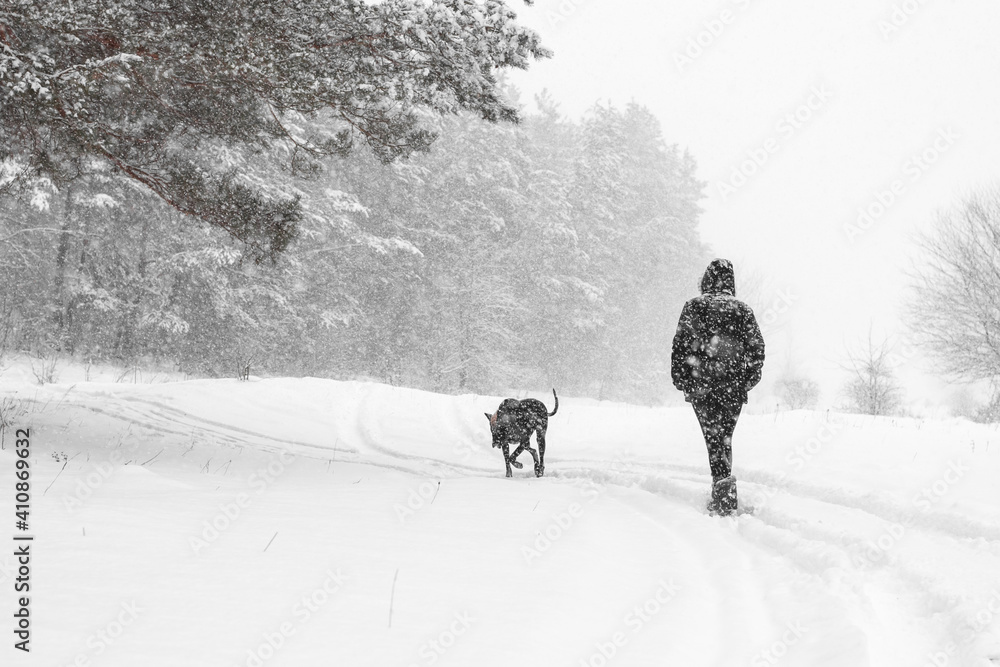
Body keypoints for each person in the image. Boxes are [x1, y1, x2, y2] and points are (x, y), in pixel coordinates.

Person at [671, 258, 765, 515]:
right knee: (723, 436)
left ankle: (723, 495)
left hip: (701, 384)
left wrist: (682, 378)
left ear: (707, 279)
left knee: (714, 437)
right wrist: (748, 379)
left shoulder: (695, 306)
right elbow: (756, 347)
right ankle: (723, 489)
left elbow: (681, 344)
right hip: (732, 388)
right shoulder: (742, 310)